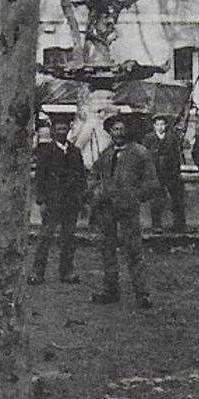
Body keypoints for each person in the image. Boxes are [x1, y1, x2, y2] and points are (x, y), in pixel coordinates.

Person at [86, 112, 160, 309]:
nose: (118, 133)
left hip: (127, 209)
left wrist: (134, 196)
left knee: (134, 251)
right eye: (115, 129)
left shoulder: (140, 153)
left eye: (122, 129)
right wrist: (95, 190)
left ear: (128, 131)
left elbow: (152, 183)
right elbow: (93, 175)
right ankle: (111, 290)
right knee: (107, 250)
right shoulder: (106, 154)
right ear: (110, 132)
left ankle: (142, 294)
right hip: (106, 209)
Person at [27, 118, 88, 285]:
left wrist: (82, 199)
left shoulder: (75, 151)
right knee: (45, 237)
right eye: (58, 129)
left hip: (71, 202)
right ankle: (37, 272)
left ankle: (67, 271)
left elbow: (81, 176)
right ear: (53, 131)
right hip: (53, 201)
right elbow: (40, 177)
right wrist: (41, 200)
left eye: (64, 129)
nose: (61, 132)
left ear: (68, 130)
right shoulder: (46, 152)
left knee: (68, 238)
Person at [142, 113, 186, 231]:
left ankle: (179, 224)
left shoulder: (172, 137)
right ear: (153, 126)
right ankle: (156, 224)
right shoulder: (149, 138)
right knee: (157, 198)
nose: (160, 127)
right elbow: (145, 156)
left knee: (177, 197)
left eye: (162, 124)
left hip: (171, 171)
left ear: (166, 125)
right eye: (157, 125)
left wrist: (177, 171)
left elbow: (176, 155)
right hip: (156, 172)